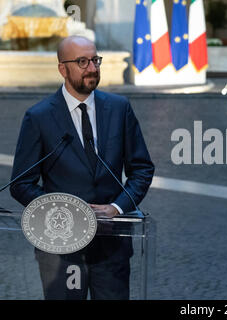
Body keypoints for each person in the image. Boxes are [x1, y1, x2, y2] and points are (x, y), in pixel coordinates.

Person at [10, 36, 155, 299]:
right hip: (61, 249)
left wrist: (117, 207)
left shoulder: (119, 109)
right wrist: (65, 211)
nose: (92, 68)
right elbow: (21, 184)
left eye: (95, 60)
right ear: (63, 69)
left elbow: (142, 169)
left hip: (112, 244)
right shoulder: (39, 116)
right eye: (82, 62)